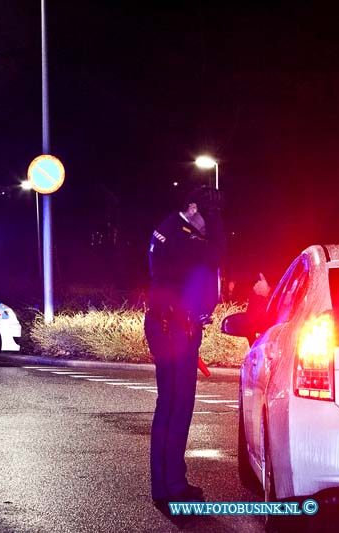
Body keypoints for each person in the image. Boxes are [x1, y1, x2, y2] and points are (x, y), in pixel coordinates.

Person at [145, 186, 226, 505]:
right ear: (192, 208)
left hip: (173, 324)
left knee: (173, 406)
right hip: (173, 327)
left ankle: (170, 483)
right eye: (208, 217)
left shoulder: (171, 230)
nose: (210, 226)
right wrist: (217, 222)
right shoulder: (179, 234)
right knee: (176, 406)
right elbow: (217, 253)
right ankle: (169, 488)